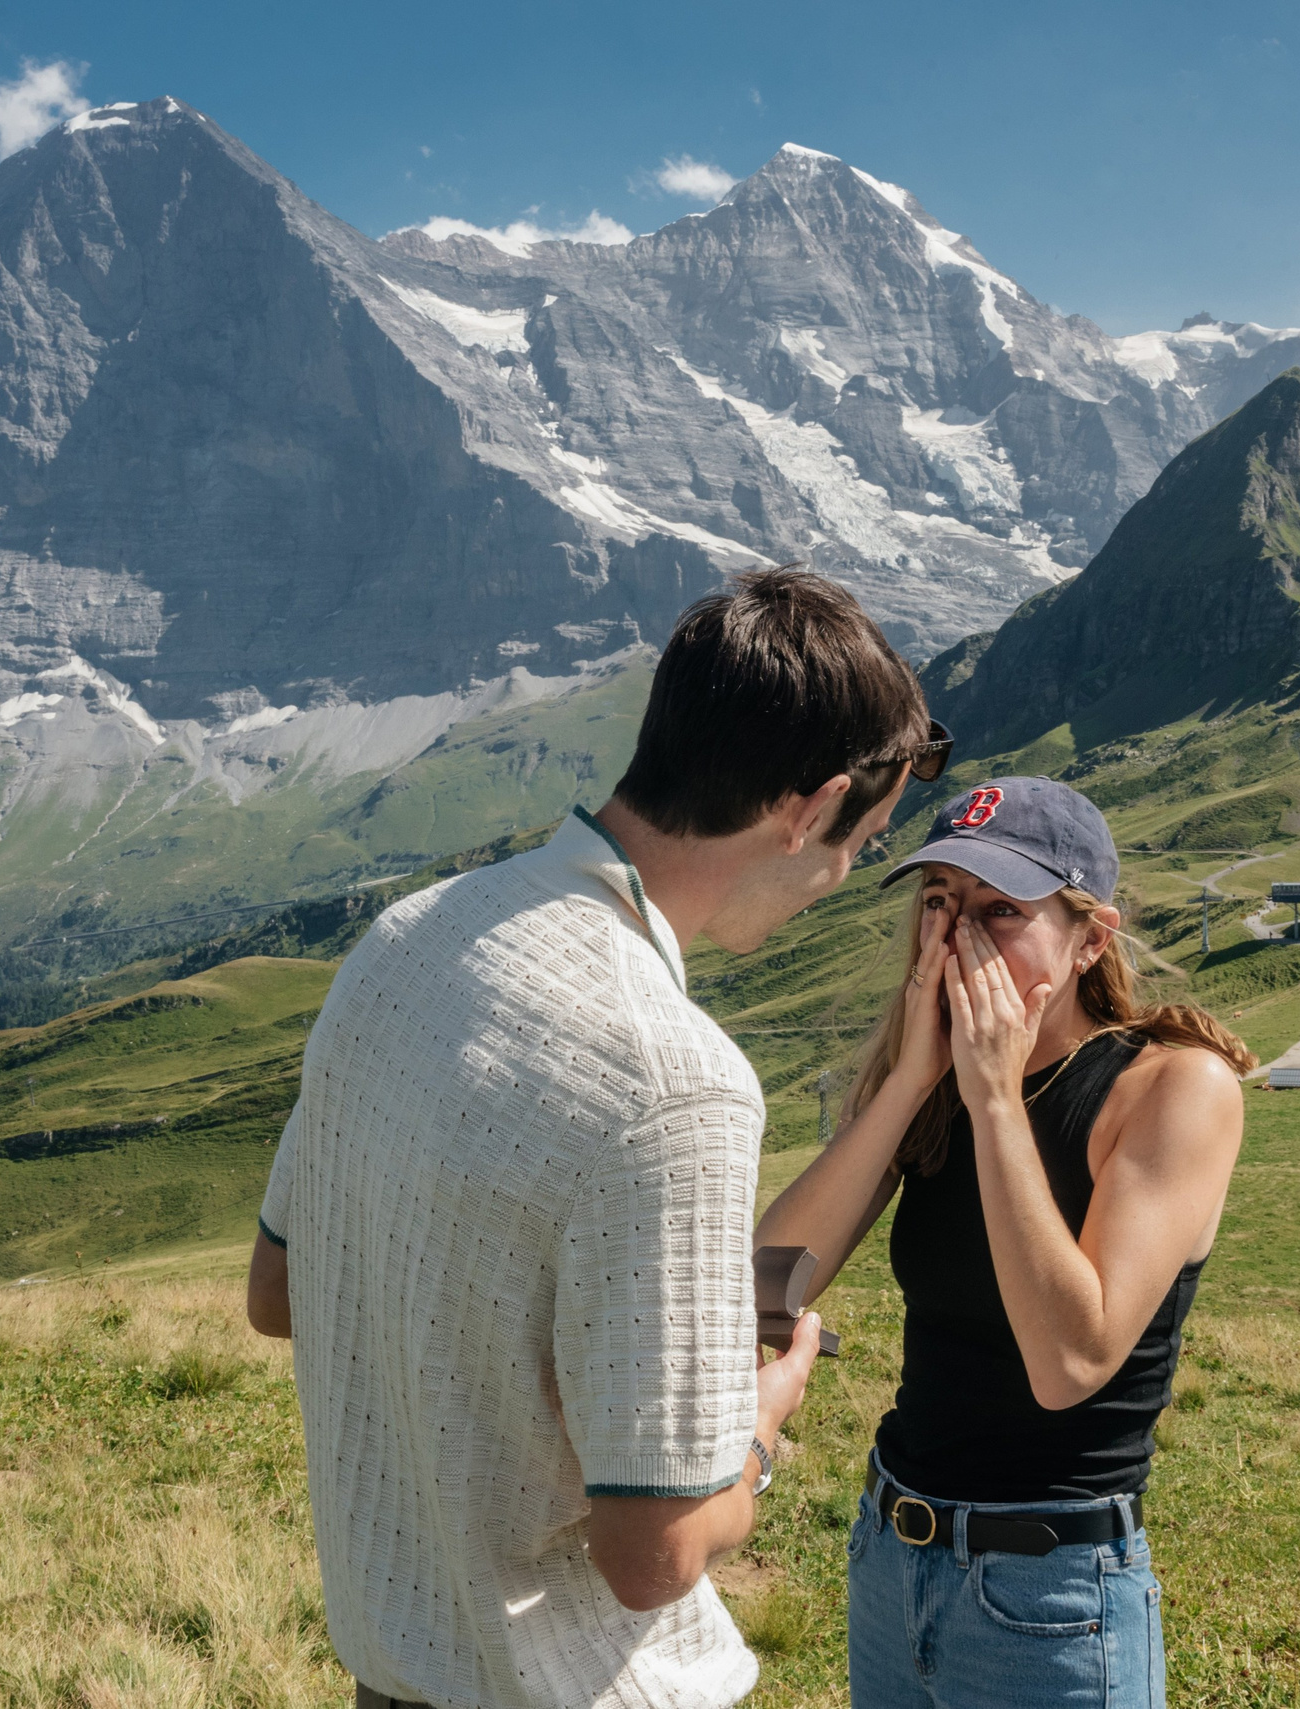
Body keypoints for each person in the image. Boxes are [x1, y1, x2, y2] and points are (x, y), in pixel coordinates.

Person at [244, 568, 950, 1709]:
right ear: (808, 807)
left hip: (393, 1671)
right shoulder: (679, 1079)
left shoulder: (401, 938)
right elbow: (652, 1556)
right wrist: (754, 1427)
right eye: (858, 844)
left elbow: (278, 1289)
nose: (837, 878)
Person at [755, 777, 1252, 1708]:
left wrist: (992, 1100)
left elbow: (1071, 1359)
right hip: (892, 1556)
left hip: (1051, 1593)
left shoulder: (1173, 1090)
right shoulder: (933, 1079)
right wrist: (909, 1081)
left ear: (1089, 939)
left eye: (999, 910)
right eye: (938, 902)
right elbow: (767, 1286)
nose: (956, 938)